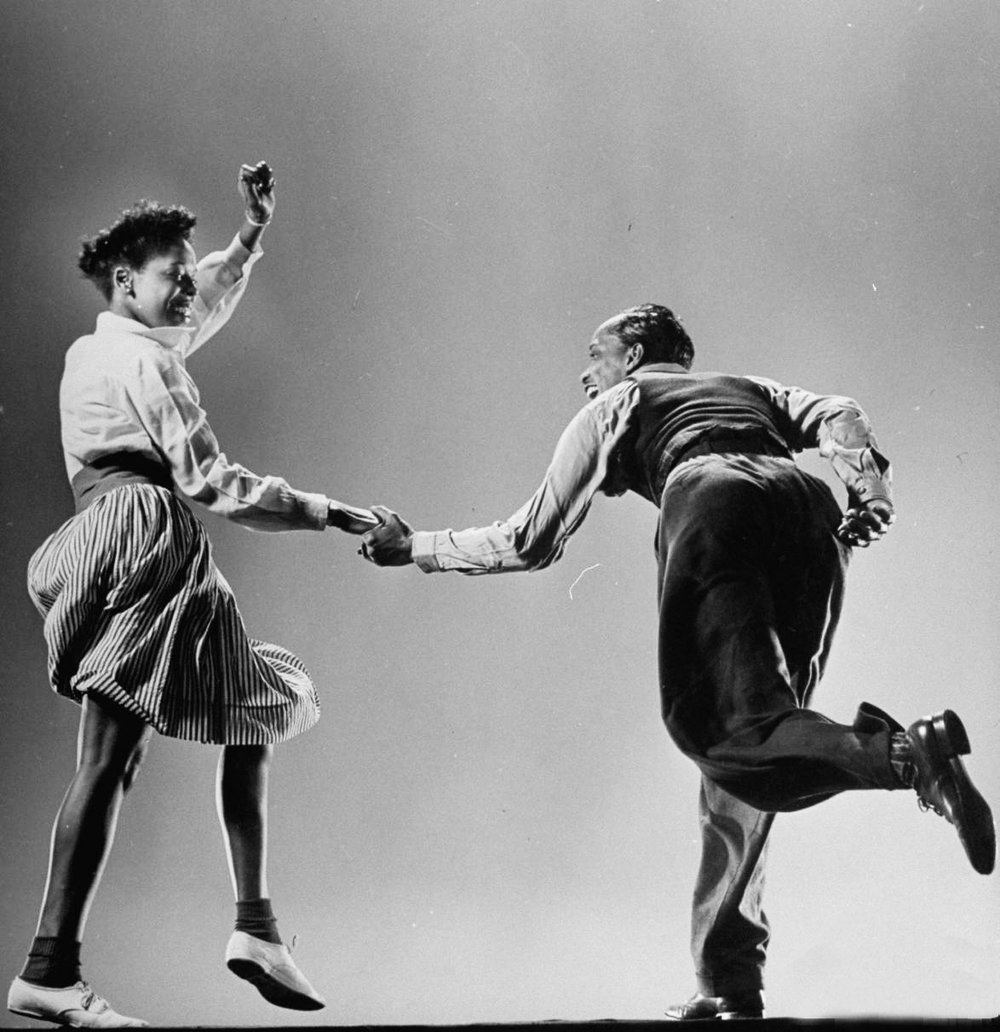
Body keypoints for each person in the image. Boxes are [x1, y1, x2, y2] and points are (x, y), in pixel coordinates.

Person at [359, 303, 995, 1020]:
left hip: (711, 499)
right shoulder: (749, 389)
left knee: (729, 734)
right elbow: (839, 412)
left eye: (595, 353)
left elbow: (531, 539)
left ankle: (907, 756)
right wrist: (868, 487)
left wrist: (415, 547)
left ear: (633, 355)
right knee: (760, 748)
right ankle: (730, 981)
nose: (585, 373)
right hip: (810, 511)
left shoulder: (616, 405)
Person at [8, 161, 376, 1029]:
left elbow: (194, 307)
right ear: (125, 280)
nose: (185, 288)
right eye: (170, 274)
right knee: (186, 729)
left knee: (227, 712)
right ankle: (58, 969)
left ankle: (251, 928)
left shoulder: (97, 349)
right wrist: (326, 511)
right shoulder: (151, 366)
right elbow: (215, 480)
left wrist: (246, 238)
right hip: (147, 535)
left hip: (99, 540)